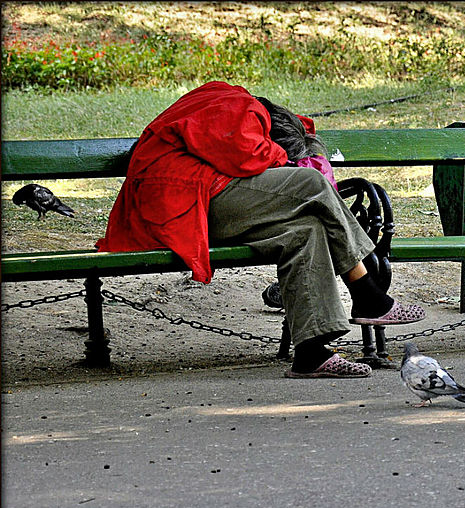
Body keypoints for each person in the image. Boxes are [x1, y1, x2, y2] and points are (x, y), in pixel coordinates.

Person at [96, 81, 424, 379]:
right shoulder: (241, 105)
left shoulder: (227, 101)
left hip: (187, 200)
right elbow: (247, 156)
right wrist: (283, 160)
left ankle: (310, 353)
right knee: (312, 182)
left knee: (305, 230)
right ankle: (367, 292)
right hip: (179, 202)